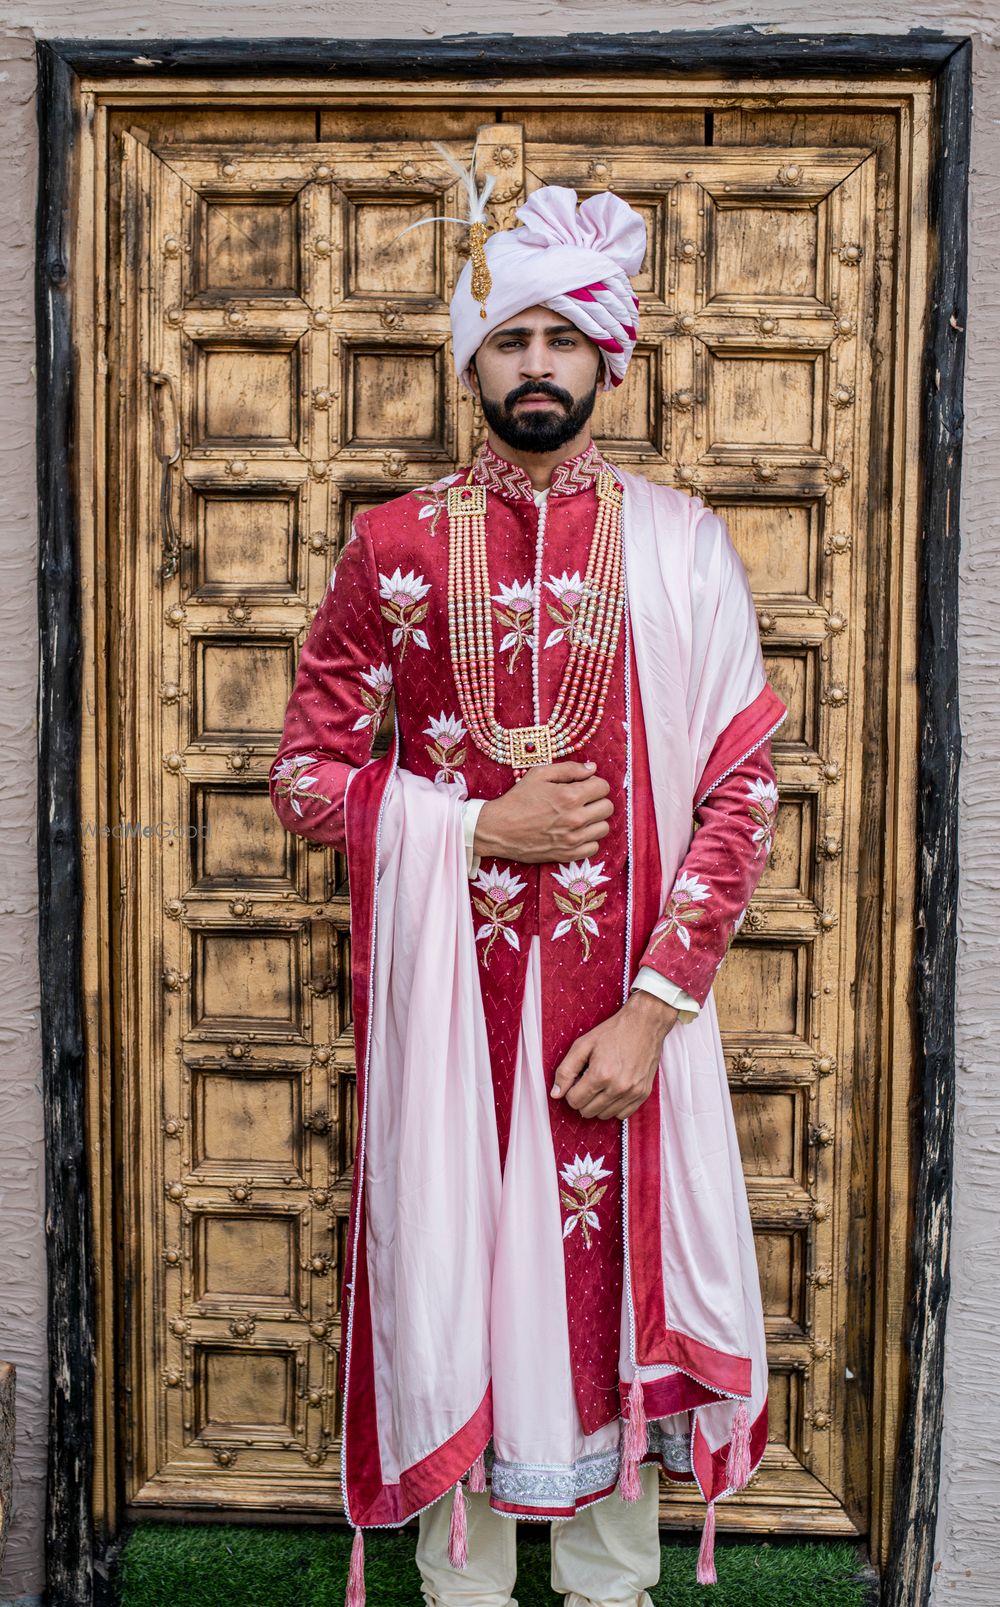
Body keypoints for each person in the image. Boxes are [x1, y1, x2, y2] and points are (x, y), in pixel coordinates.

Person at [269, 162, 787, 1607]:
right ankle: (467, 1585)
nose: (539, 365)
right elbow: (307, 779)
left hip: (621, 1036)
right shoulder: (392, 549)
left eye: (565, 338)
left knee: (606, 1309)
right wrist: (474, 830)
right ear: (472, 359)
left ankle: (615, 1585)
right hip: (456, 1027)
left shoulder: (684, 547)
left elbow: (741, 794)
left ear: (605, 356)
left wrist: (654, 1013)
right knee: (468, 1304)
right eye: (512, 339)